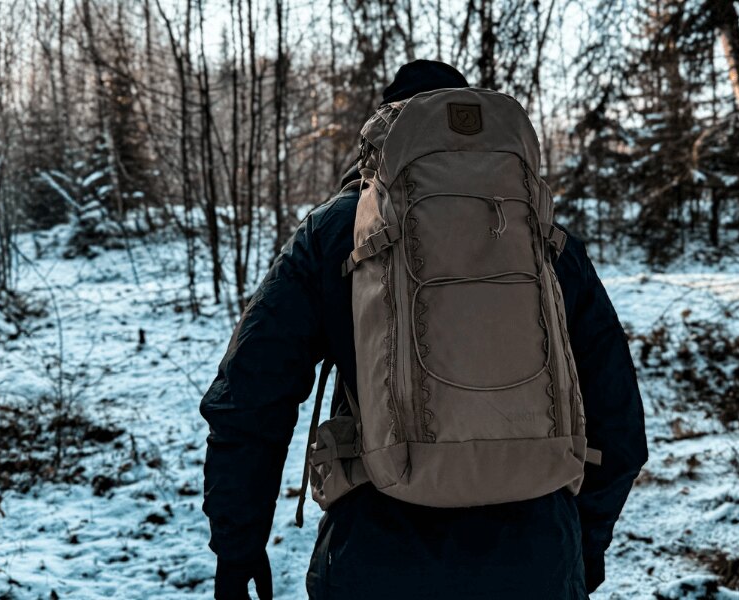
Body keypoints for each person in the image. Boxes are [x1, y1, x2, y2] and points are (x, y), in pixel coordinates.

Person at [200, 60, 648, 600]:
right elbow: (619, 424)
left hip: (374, 561)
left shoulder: (337, 231)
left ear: (387, 130)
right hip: (537, 555)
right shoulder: (545, 240)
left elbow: (249, 398)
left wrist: (237, 545)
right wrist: (583, 546)